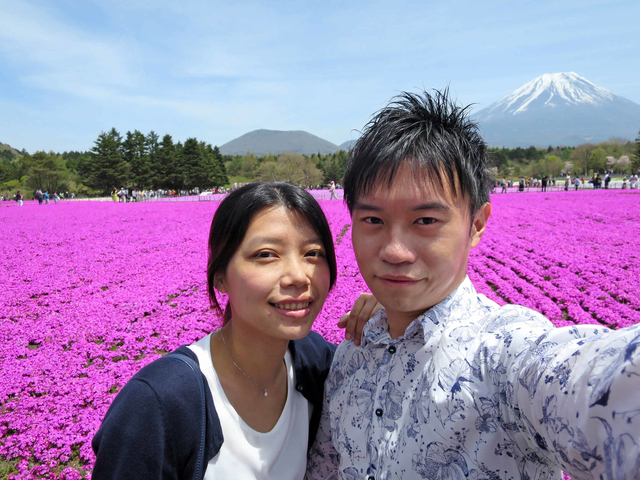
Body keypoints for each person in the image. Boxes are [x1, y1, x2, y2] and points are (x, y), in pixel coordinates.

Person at [306, 89, 640, 480]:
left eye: (425, 221)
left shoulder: (500, 354)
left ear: (476, 224)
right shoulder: (351, 356)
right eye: (373, 221)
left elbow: (597, 382)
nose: (394, 251)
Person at [92, 182, 378, 480]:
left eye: (313, 253)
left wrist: (394, 314)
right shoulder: (158, 403)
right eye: (266, 255)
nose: (298, 275)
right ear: (220, 278)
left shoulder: (315, 362)